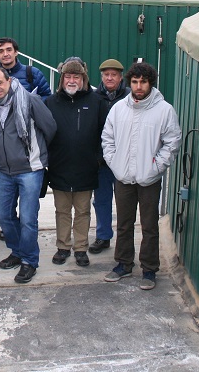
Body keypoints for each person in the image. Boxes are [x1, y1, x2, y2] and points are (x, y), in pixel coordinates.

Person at [101, 62, 181, 290]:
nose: (138, 86)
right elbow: (108, 138)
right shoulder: (118, 109)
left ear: (150, 83)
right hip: (123, 177)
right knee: (124, 224)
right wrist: (115, 163)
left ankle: (149, 269)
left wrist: (156, 167)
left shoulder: (164, 110)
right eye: (134, 82)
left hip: (149, 179)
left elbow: (172, 142)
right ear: (130, 83)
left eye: (143, 82)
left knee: (149, 226)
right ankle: (123, 264)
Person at [0, 67, 56, 284]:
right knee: (4, 216)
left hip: (30, 170)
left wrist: (36, 154)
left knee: (27, 219)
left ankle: (29, 261)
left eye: (0, 83)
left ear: (9, 81)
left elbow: (50, 127)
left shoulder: (30, 101)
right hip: (5, 171)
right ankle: (17, 251)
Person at [45, 57, 107, 268]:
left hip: (86, 168)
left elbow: (105, 134)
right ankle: (63, 246)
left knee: (83, 211)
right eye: (68, 76)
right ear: (62, 79)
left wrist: (98, 159)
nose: (72, 81)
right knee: (62, 210)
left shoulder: (96, 102)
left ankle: (80, 248)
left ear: (84, 79)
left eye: (76, 76)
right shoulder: (51, 102)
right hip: (59, 167)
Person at [90, 58, 130, 255]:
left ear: (121, 77)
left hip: (125, 159)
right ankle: (103, 235)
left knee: (125, 201)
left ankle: (125, 237)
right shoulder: (95, 97)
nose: (109, 78)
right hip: (102, 160)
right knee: (102, 199)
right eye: (106, 75)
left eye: (113, 74)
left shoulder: (130, 97)